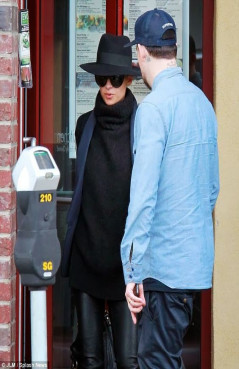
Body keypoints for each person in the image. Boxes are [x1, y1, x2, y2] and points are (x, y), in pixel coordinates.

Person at [120, 9, 219, 369]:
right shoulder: (203, 104)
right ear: (173, 50)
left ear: (142, 53)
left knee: (157, 362)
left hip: (160, 271)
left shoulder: (154, 110)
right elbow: (211, 190)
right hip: (190, 268)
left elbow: (142, 197)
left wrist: (132, 272)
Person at [61, 33, 140, 369]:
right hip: (87, 256)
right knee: (89, 359)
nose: (108, 86)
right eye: (101, 78)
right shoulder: (84, 125)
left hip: (126, 265)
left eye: (116, 78)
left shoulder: (143, 126)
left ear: (129, 80)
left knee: (128, 360)